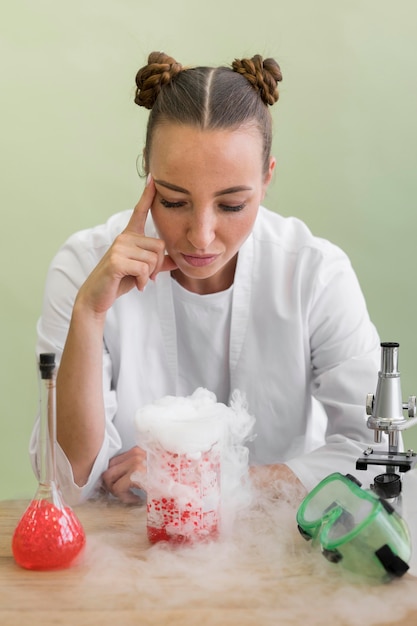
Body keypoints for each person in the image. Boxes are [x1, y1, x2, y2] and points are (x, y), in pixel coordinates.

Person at [30, 51, 384, 506]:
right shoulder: (83, 268)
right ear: (148, 173)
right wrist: (89, 313)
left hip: (282, 547)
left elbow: (374, 455)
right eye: (174, 201)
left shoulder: (315, 274)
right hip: (126, 550)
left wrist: (201, 479)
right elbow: (63, 483)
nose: (201, 236)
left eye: (232, 205)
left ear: (267, 178)